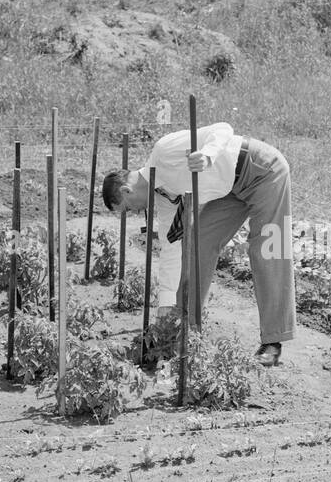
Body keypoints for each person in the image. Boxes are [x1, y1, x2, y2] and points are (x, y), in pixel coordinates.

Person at [102, 123, 295, 368]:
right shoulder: (163, 199)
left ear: (126, 190)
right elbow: (171, 250)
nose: (135, 212)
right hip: (230, 189)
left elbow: (223, 129)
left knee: (268, 250)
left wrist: (207, 155)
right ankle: (183, 331)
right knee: (197, 244)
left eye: (128, 208)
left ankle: (273, 341)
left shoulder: (163, 152)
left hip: (262, 170)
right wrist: (165, 305)